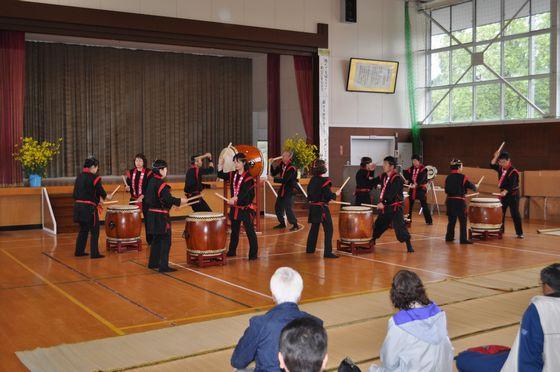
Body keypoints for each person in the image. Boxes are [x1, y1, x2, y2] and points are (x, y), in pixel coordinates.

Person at [456, 263, 560, 372]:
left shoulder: (539, 309)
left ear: (547, 286)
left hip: (537, 364)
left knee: (464, 359)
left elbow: (528, 358)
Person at [231, 267, 322, 372]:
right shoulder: (316, 323)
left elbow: (238, 361)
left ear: (273, 295)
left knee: (238, 370)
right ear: (300, 296)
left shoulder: (260, 324)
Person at [369, 270, 453, 372]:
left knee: (374, 369)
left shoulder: (398, 323)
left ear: (395, 294)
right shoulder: (439, 313)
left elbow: (389, 362)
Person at [144, 159, 188, 272]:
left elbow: (160, 200)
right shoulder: (161, 183)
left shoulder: (152, 181)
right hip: (160, 217)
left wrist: (173, 205)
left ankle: (153, 263)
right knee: (165, 241)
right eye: (165, 169)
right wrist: (179, 201)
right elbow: (168, 199)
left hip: (152, 214)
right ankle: (163, 266)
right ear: (161, 170)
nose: (166, 171)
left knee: (157, 239)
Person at [218, 153, 258, 260]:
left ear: (244, 163)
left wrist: (235, 199)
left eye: (238, 162)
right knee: (234, 231)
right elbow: (220, 175)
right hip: (235, 209)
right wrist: (220, 164)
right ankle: (232, 251)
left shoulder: (248, 178)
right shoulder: (232, 175)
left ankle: (253, 254)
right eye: (234, 162)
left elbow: (247, 195)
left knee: (250, 232)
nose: (235, 164)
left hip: (245, 209)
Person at [371, 156, 414, 253]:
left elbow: (391, 194)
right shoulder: (383, 176)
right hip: (386, 208)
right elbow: (371, 182)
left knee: (400, 228)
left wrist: (383, 203)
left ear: (391, 166)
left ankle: (408, 244)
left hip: (395, 208)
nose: (383, 166)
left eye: (385, 164)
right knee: (379, 224)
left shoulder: (397, 178)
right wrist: (371, 171)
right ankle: (372, 240)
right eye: (384, 164)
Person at [73, 157, 112, 259]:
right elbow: (100, 191)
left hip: (78, 207)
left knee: (83, 229)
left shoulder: (79, 177)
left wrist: (97, 199)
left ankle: (79, 251)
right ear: (93, 167)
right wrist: (106, 196)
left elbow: (78, 193)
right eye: (97, 168)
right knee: (95, 231)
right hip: (89, 209)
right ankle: (95, 253)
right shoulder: (95, 178)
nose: (97, 170)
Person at [305, 159, 341, 259]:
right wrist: (335, 195)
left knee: (314, 228)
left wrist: (325, 199)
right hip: (321, 209)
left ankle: (310, 249)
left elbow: (310, 196)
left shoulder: (312, 180)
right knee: (329, 229)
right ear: (323, 168)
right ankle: (328, 252)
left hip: (313, 207)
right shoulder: (325, 181)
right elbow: (328, 195)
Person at [490, 150, 523, 238]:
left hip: (513, 195)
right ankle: (501, 230)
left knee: (515, 213)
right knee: (501, 213)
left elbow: (512, 185)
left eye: (503, 162)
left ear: (508, 161)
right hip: (503, 194)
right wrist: (495, 156)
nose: (501, 164)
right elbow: (492, 165)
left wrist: (505, 192)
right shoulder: (500, 168)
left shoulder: (513, 171)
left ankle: (519, 233)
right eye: (500, 162)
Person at [444, 159, 477, 244]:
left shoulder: (448, 177)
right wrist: (475, 187)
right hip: (459, 202)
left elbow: (447, 190)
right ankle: (463, 239)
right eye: (461, 166)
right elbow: (470, 185)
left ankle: (449, 237)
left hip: (450, 201)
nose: (462, 168)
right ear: (459, 167)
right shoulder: (463, 177)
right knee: (463, 221)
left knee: (451, 221)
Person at [125, 153, 153, 245]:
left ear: (144, 162)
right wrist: (127, 188)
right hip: (133, 199)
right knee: (131, 220)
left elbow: (150, 187)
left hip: (145, 200)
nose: (138, 162)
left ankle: (150, 241)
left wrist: (143, 195)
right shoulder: (131, 172)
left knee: (148, 221)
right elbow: (128, 185)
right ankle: (131, 239)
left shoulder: (149, 173)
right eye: (136, 160)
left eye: (140, 160)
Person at [268, 150, 299, 231]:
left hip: (290, 189)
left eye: (285, 156)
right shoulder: (282, 164)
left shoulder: (292, 168)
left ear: (289, 157)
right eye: (282, 155)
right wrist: (270, 164)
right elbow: (274, 173)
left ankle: (295, 224)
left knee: (288, 208)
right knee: (278, 207)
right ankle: (282, 223)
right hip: (283, 189)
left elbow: (285, 180)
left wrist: (273, 179)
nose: (282, 157)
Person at [404, 154, 433, 225]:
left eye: (415, 160)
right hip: (412, 189)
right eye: (413, 160)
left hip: (421, 189)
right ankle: (408, 220)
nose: (414, 162)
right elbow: (407, 175)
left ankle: (429, 221)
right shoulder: (411, 169)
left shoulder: (423, 169)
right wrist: (407, 181)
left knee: (424, 204)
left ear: (419, 161)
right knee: (409, 204)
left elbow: (422, 178)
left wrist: (416, 184)